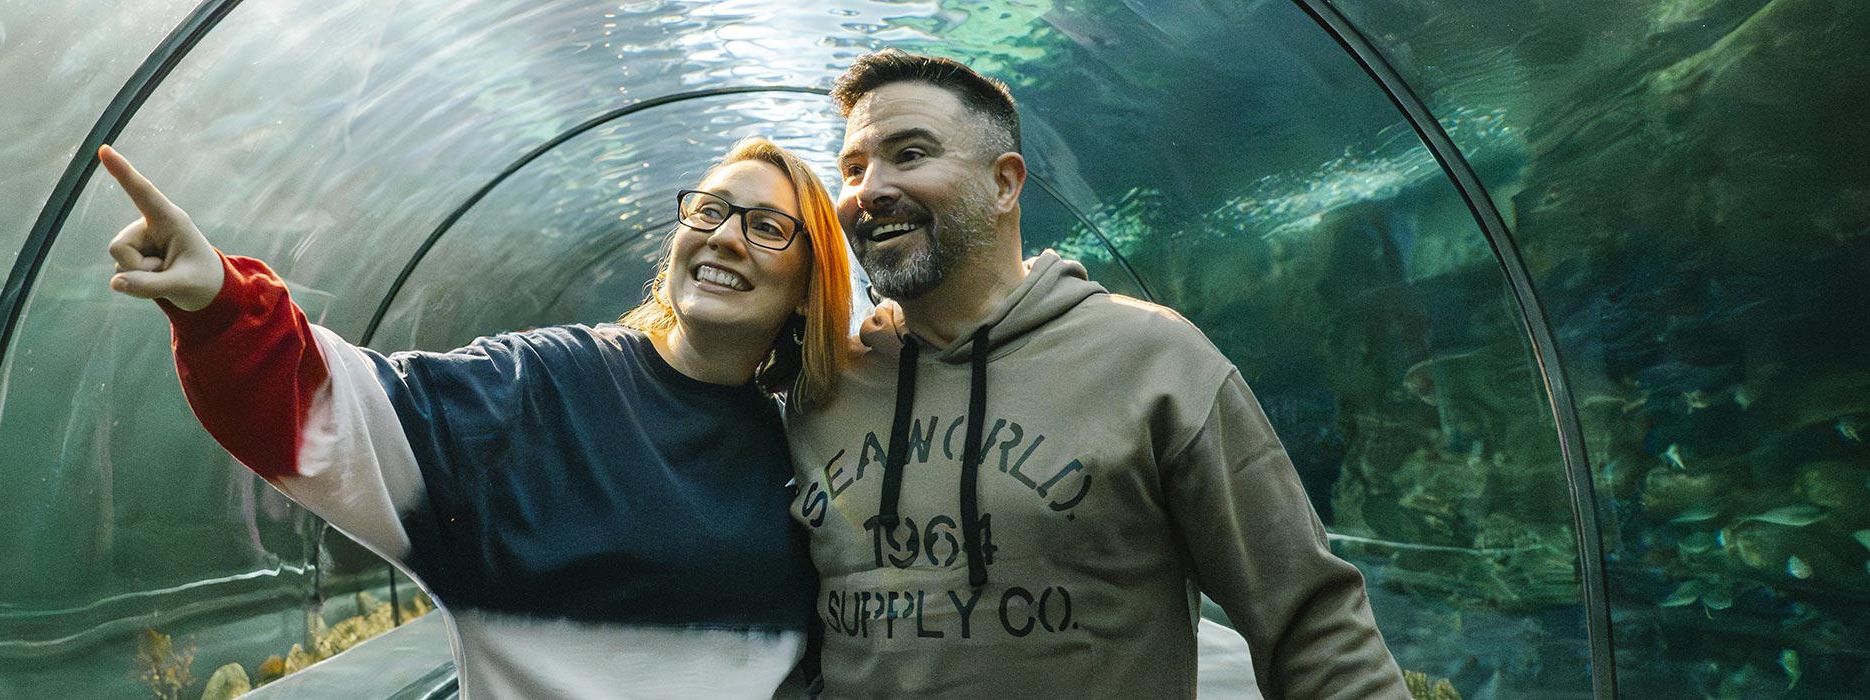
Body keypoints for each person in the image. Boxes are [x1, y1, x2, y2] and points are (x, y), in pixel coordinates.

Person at [98, 137, 852, 699]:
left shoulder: (813, 449)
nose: (725, 235)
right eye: (712, 210)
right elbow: (351, 415)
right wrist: (221, 306)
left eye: (766, 226)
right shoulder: (547, 390)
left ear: (809, 284)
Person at [784, 50, 1408, 699]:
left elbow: (1313, 622)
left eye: (910, 154)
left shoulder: (1154, 360)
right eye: (853, 167)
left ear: (1004, 183)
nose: (869, 188)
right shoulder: (822, 390)